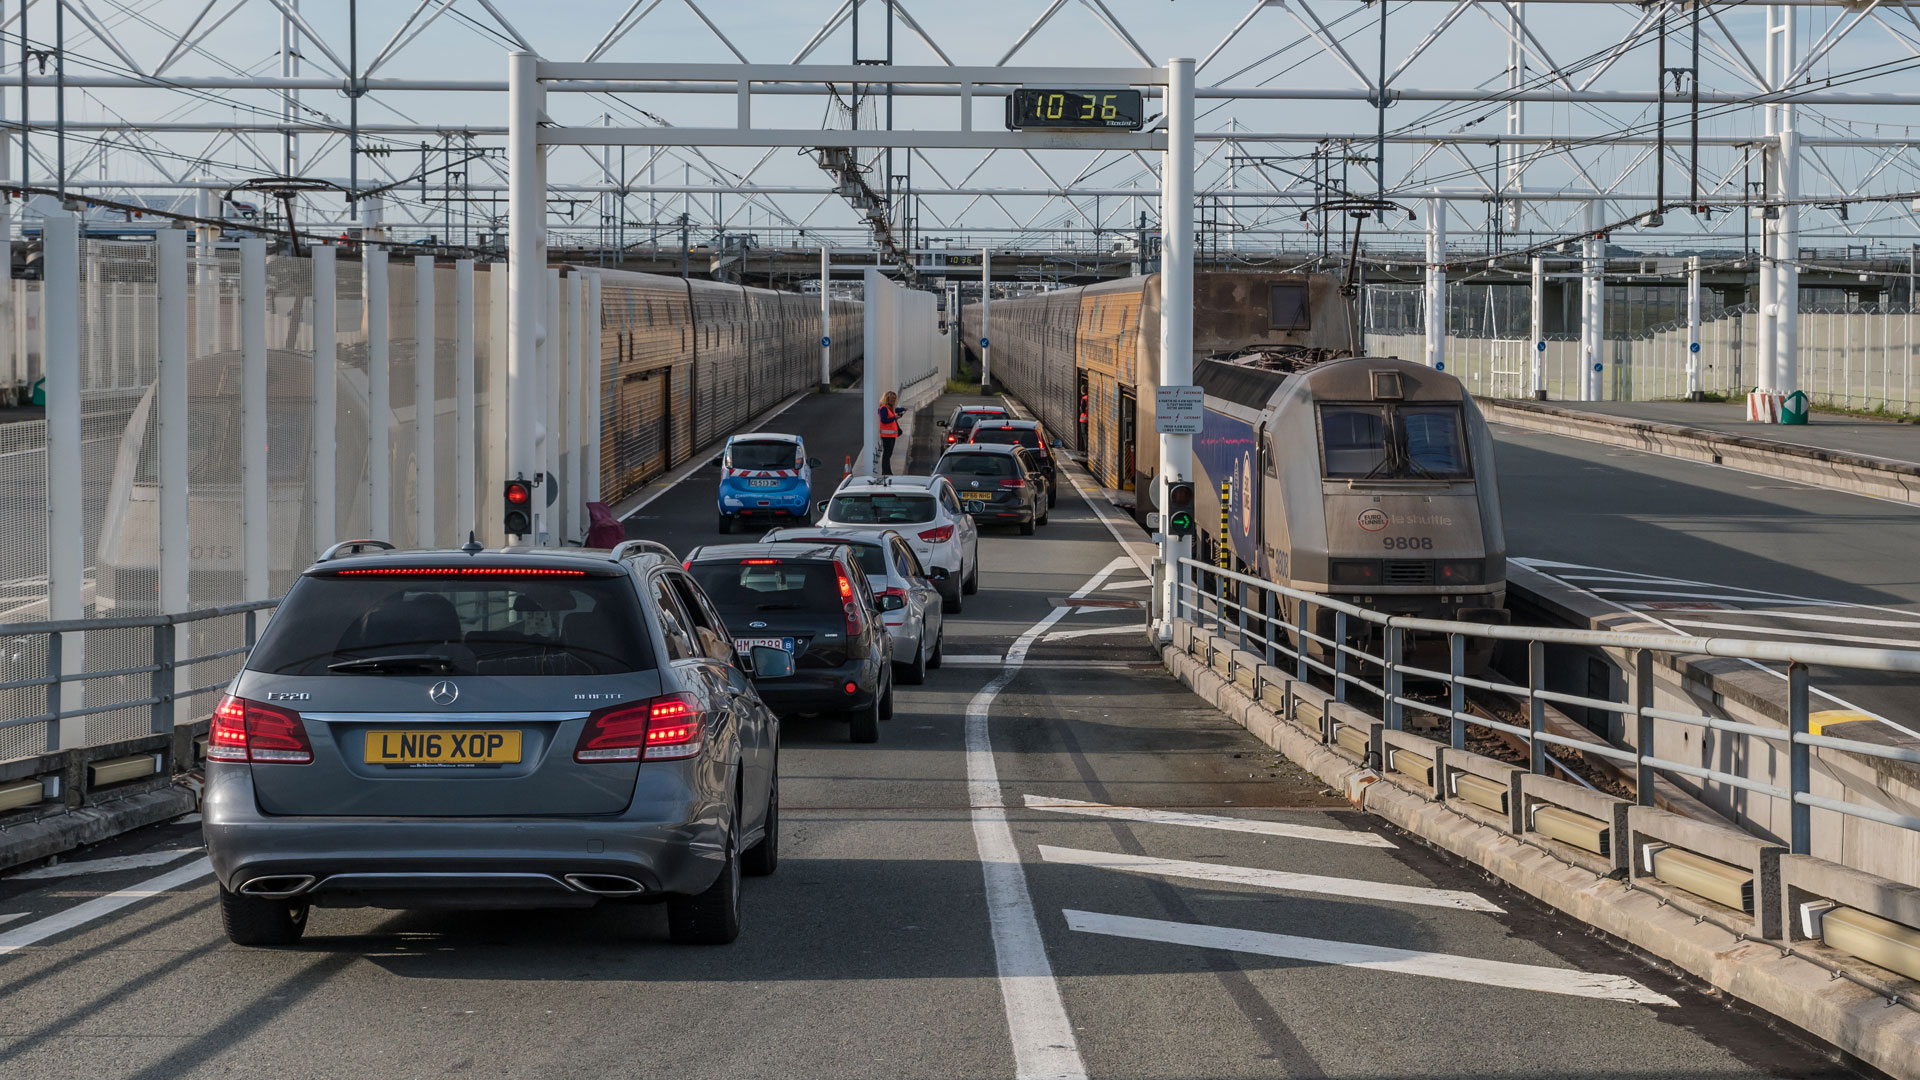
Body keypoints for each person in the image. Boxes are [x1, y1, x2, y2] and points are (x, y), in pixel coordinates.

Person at [877, 391, 901, 476]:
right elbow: (883, 420)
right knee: (887, 454)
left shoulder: (890, 408)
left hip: (891, 435)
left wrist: (901, 410)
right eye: (892, 399)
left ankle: (887, 471)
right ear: (887, 399)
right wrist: (894, 418)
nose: (893, 400)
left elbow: (894, 412)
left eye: (894, 399)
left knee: (888, 454)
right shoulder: (884, 408)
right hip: (886, 435)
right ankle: (886, 472)